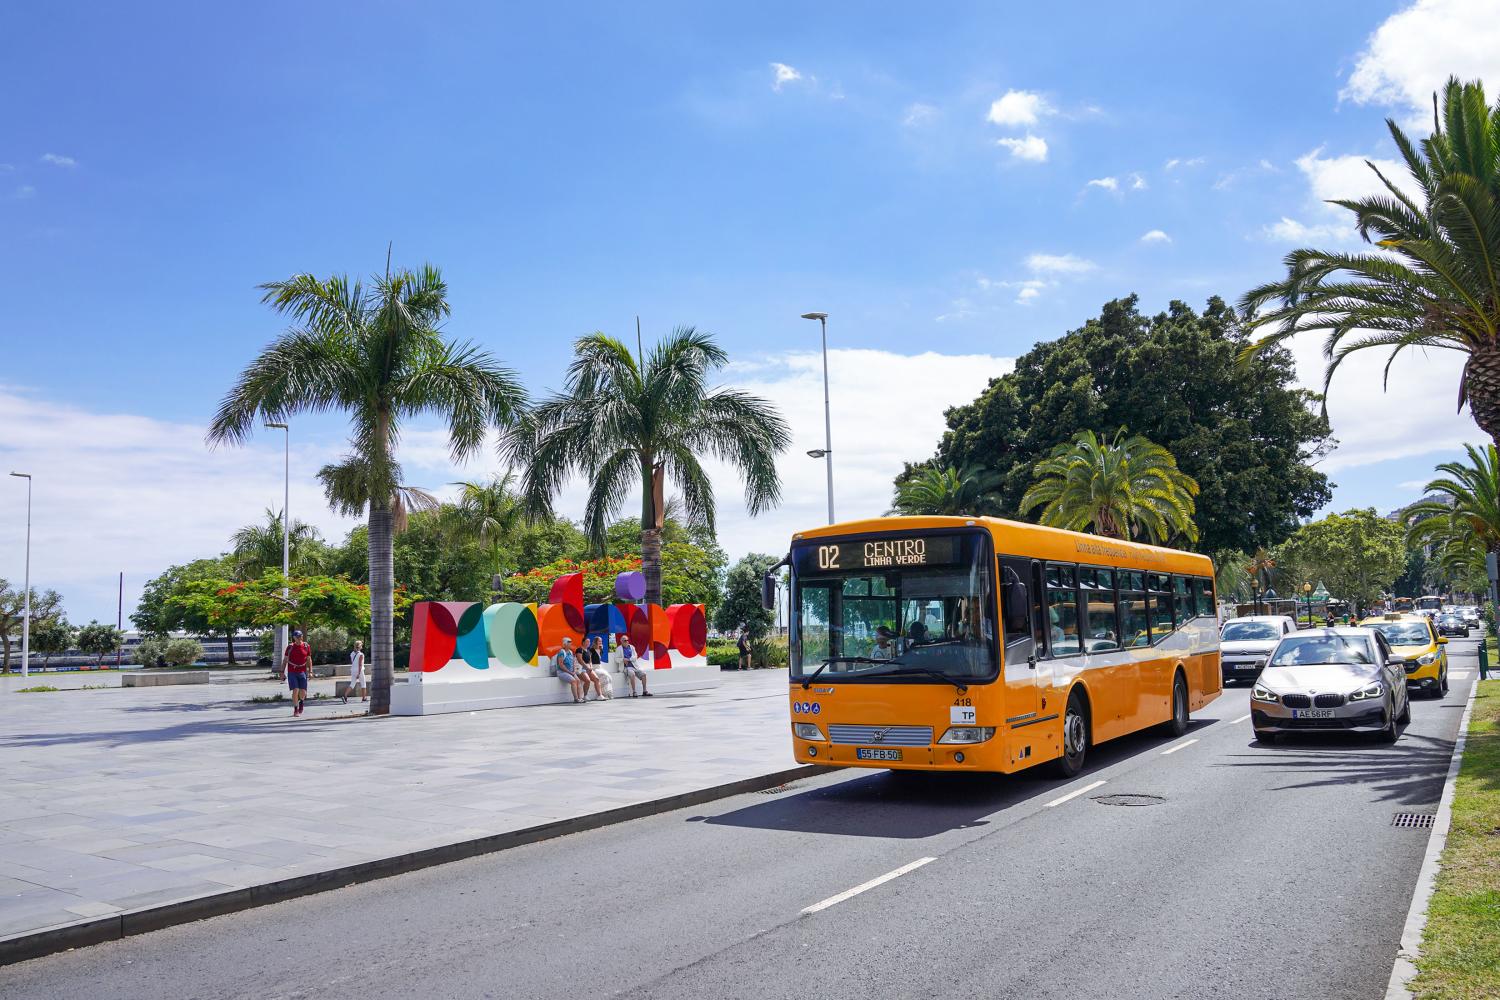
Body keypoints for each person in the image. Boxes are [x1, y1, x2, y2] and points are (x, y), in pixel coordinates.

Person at [281, 629, 312, 717]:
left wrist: (310, 671)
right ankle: (296, 709)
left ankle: (301, 702)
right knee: (295, 690)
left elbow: (309, 659)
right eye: (297, 637)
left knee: (303, 692)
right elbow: (285, 660)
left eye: (300, 636)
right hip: (292, 671)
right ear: (294, 638)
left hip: (302, 671)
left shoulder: (306, 646)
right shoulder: (290, 647)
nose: (299, 638)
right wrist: (282, 672)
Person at [554, 637, 585, 703]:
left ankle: (580, 698)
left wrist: (574, 671)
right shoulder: (561, 652)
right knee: (573, 681)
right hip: (562, 672)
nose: (570, 643)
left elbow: (573, 662)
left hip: (570, 672)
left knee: (578, 680)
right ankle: (576, 699)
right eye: (568, 642)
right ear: (564, 644)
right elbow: (561, 665)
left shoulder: (570, 652)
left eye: (570, 642)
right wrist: (570, 672)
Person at [578, 636, 606, 701]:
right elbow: (580, 660)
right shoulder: (579, 650)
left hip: (589, 668)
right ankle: (585, 696)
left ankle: (600, 695)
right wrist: (587, 667)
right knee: (587, 680)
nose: (588, 643)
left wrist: (590, 667)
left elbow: (590, 661)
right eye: (587, 642)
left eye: (589, 642)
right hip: (581, 668)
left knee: (596, 679)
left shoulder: (588, 651)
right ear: (583, 642)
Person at [344, 639, 366, 704]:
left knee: (352, 684)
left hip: (353, 670)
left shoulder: (352, 654)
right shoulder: (361, 654)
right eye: (361, 645)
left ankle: (345, 695)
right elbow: (360, 664)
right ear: (360, 646)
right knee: (363, 684)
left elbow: (353, 662)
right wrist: (358, 673)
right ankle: (364, 698)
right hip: (360, 671)